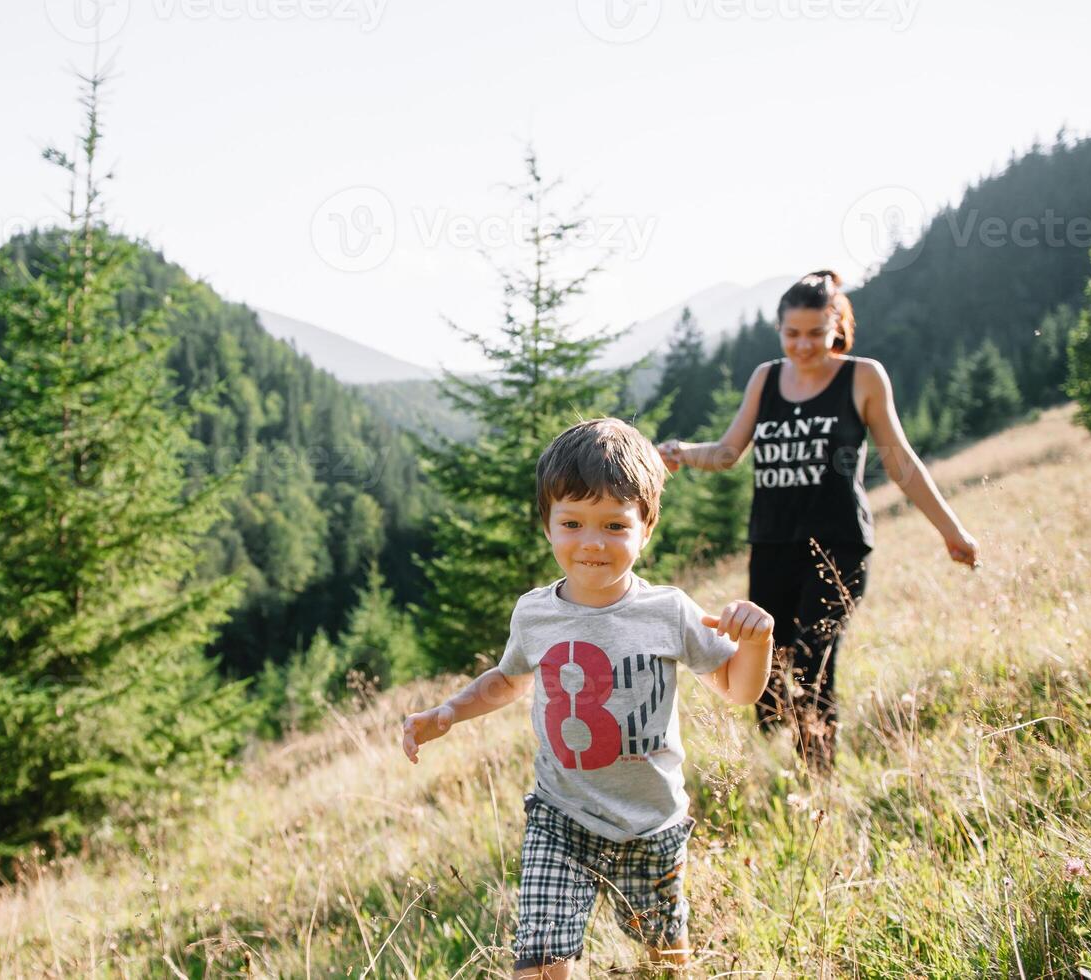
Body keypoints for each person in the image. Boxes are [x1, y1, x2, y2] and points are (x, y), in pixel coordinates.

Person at [400, 417, 774, 976]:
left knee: (665, 964)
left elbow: (739, 690)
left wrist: (757, 642)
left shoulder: (669, 611)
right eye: (571, 522)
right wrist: (449, 711)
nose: (592, 542)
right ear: (547, 527)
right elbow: (507, 679)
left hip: (652, 826)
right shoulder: (535, 612)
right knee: (541, 963)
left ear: (645, 529)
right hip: (561, 815)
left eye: (614, 525)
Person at [657, 270, 980, 773]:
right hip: (772, 543)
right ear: (780, 331)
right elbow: (727, 452)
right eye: (792, 334)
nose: (803, 345)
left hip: (838, 543)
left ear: (837, 327)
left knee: (812, 659)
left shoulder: (863, 377)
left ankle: (820, 776)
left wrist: (951, 530)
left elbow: (900, 461)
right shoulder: (766, 378)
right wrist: (681, 453)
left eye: (814, 333)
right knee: (765, 658)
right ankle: (779, 755)